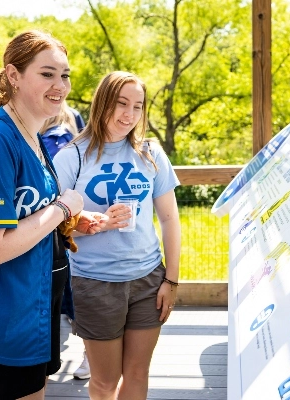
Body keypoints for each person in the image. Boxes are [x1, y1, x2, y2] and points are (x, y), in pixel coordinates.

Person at [0, 30, 106, 400]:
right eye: (46, 74)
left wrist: (73, 221)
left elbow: (28, 215)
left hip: (34, 314)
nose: (60, 85)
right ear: (13, 75)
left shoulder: (31, 134)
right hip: (0, 321)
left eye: (65, 75)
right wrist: (63, 207)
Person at [53, 71, 181, 400]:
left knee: (137, 374)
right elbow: (52, 221)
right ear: (102, 103)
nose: (129, 114)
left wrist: (171, 280)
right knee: (105, 383)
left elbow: (169, 219)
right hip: (94, 283)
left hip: (148, 281)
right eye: (122, 103)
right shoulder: (71, 156)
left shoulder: (151, 154)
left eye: (138, 106)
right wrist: (86, 221)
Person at [40, 101, 91, 380]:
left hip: (54, 221)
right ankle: (88, 356)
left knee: (54, 294)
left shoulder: (37, 135)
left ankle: (44, 361)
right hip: (70, 219)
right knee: (72, 293)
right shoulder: (72, 123)